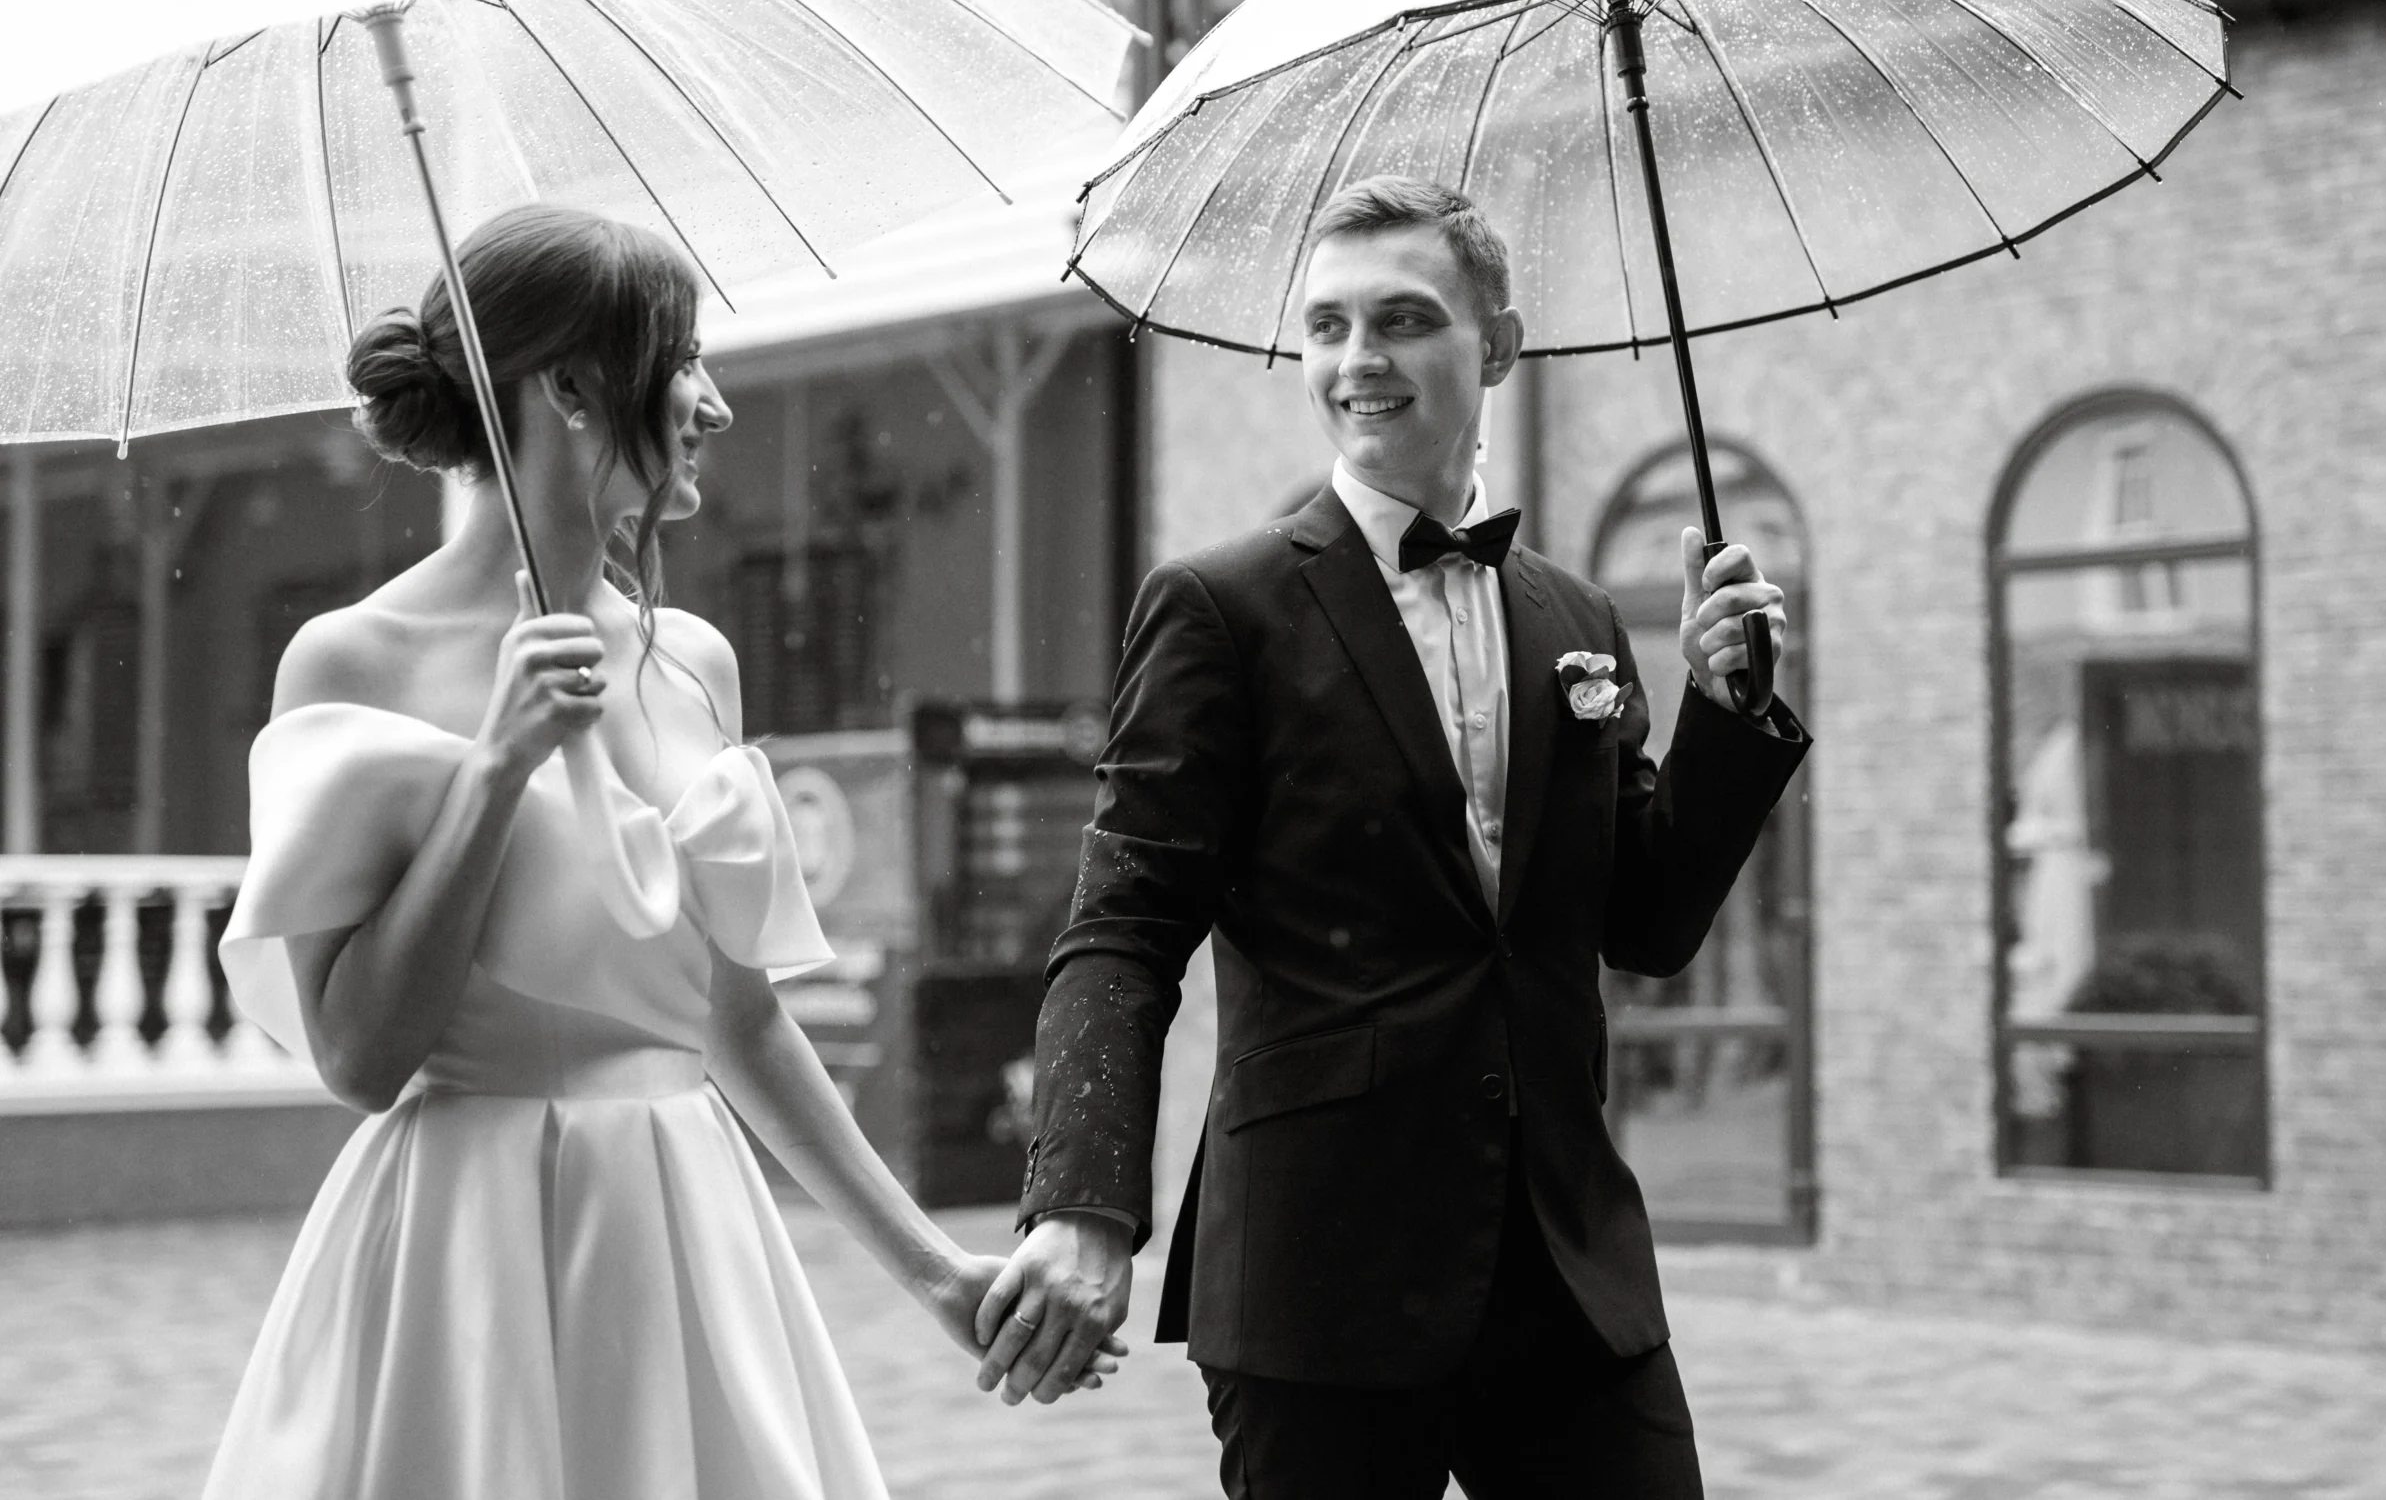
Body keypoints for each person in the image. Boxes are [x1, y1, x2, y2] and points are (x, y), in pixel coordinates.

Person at [201, 205, 1115, 1500]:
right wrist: (495, 769)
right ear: (572, 386)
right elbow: (358, 1056)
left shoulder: (693, 661)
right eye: (681, 358)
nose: (714, 402)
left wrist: (935, 1273)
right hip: (458, 1258)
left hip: (683, 1228)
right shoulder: (352, 661)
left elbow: (739, 1024)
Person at [974, 176, 1811, 1496]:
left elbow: (1645, 924)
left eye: (1404, 320)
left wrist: (1725, 714)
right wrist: (1085, 1210)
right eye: (1327, 327)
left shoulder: (1574, 614)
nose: (1358, 361)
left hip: (1567, 1271)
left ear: (1500, 345)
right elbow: (1121, 938)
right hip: (1322, 1277)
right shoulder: (1219, 609)